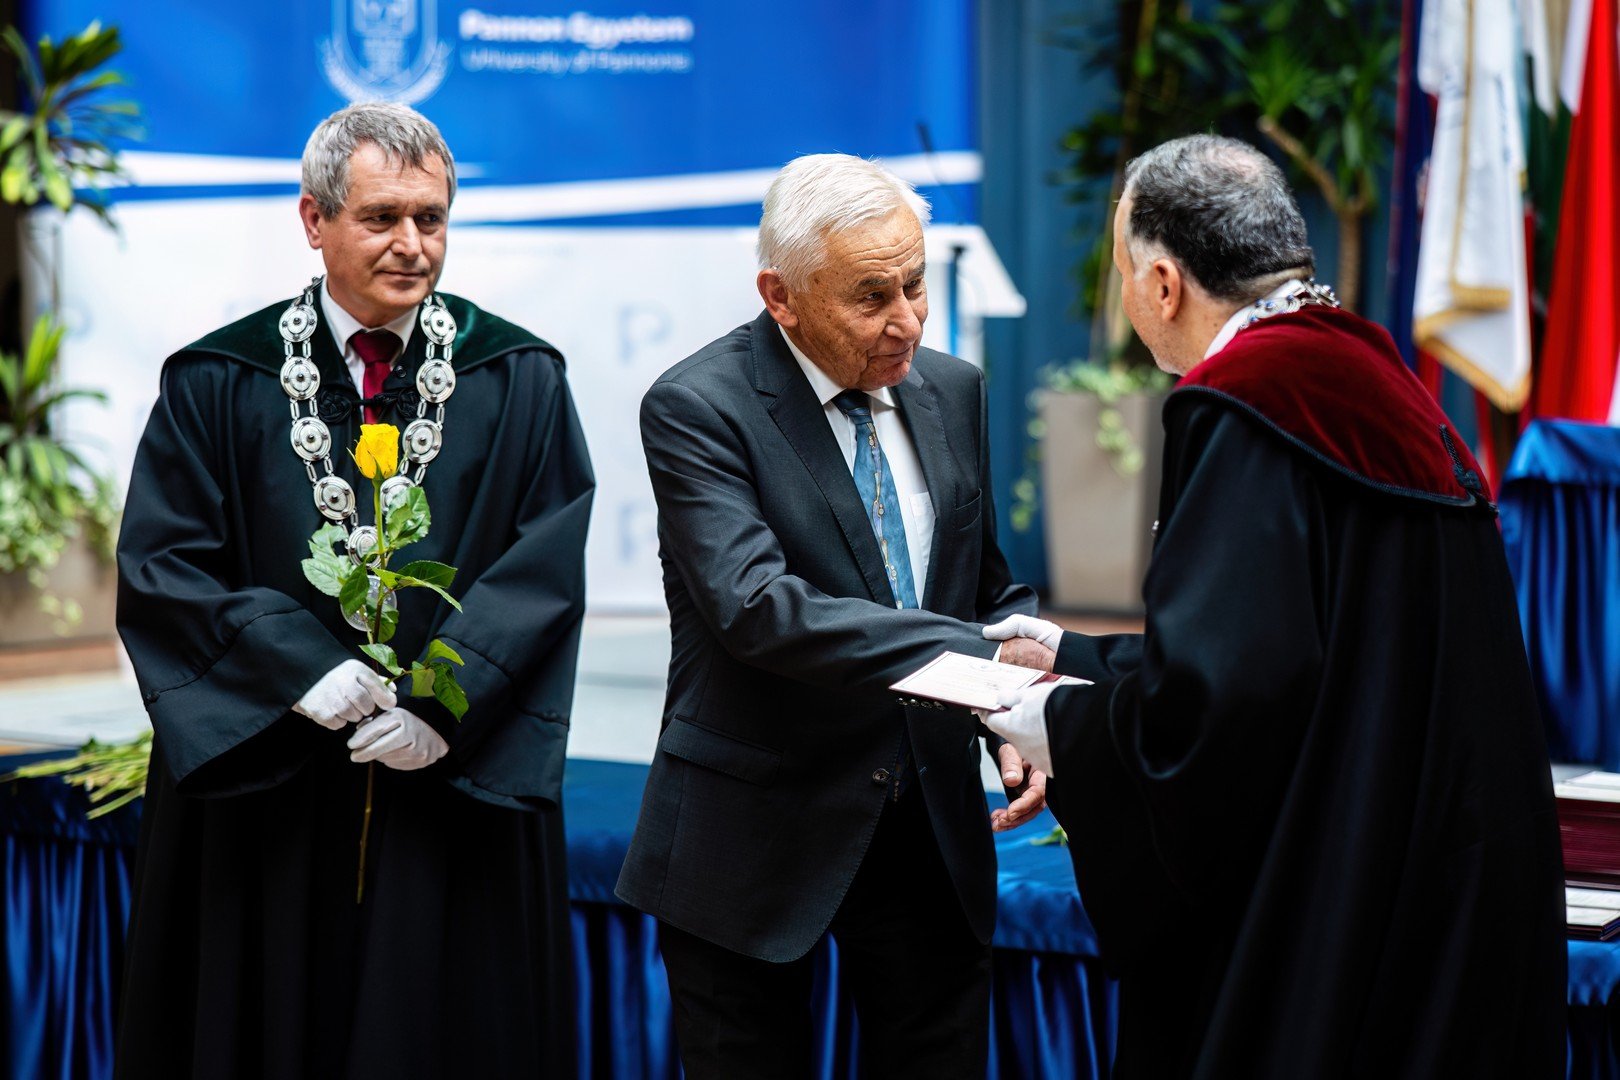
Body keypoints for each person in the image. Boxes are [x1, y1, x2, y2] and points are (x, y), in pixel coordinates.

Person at [983, 134, 1566, 1077]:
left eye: (1125, 275)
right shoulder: (1374, 373)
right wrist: (1077, 655)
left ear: (1163, 284)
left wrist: (1059, 723)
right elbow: (1315, 651)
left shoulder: (1241, 402)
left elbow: (1215, 720)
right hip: (1439, 884)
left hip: (1328, 926)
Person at [113, 103, 594, 1078]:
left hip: (449, 784)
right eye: (382, 218)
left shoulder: (520, 378)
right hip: (269, 792)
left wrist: (443, 702)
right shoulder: (217, 380)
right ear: (314, 218)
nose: (412, 245)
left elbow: (542, 569)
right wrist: (295, 667)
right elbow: (164, 564)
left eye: (432, 218)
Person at [616, 153, 1051, 1077]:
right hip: (754, 834)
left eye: (916, 285)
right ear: (781, 295)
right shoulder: (698, 406)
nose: (907, 320)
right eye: (871, 297)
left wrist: (1010, 718)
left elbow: (985, 590)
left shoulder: (954, 388)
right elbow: (758, 609)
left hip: (929, 829)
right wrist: (984, 660)